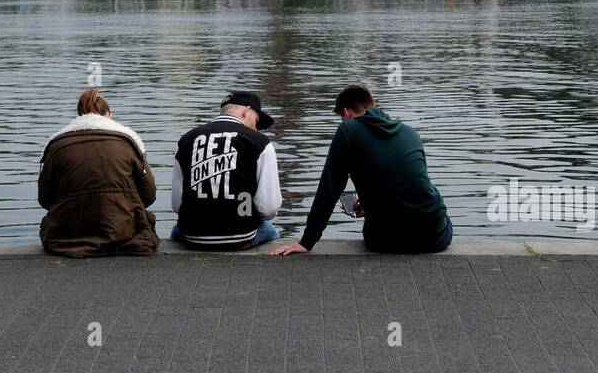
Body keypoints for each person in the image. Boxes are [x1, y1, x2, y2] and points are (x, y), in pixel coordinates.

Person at [273, 84, 452, 256]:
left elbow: (329, 189)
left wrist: (307, 241)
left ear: (346, 112)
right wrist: (368, 205)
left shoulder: (348, 130)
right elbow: (409, 185)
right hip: (434, 237)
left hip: (386, 241)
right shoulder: (410, 132)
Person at [37, 88, 159, 257]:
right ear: (109, 116)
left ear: (79, 116)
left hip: (68, 236)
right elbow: (149, 195)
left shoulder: (57, 146)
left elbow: (44, 199)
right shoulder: (129, 142)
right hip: (125, 234)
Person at [171, 90, 282, 250]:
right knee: (270, 230)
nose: (256, 128)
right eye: (256, 122)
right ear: (246, 111)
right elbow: (268, 208)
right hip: (240, 236)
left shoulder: (187, 139)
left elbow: (177, 204)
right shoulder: (260, 142)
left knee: (176, 230)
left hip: (193, 235)